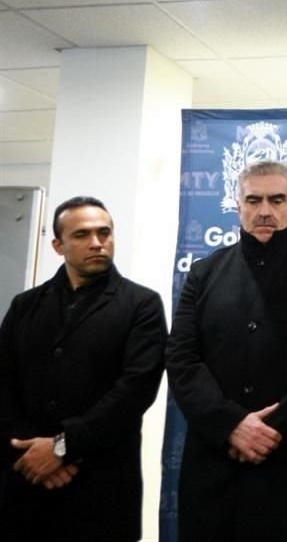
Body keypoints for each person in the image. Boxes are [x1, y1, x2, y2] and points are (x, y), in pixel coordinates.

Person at [166, 160, 287, 542]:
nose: (265, 211)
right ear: (238, 206)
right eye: (253, 200)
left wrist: (271, 426)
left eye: (276, 199)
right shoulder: (204, 273)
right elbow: (182, 359)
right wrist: (232, 425)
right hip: (217, 463)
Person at [0, 196, 167, 542]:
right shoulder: (26, 305)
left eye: (104, 233)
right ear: (58, 245)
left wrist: (62, 447)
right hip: (26, 482)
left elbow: (135, 390)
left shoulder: (141, 305)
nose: (96, 243)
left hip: (100, 486)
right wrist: (28, 453)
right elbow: (3, 384)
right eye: (81, 235)